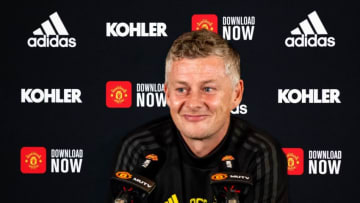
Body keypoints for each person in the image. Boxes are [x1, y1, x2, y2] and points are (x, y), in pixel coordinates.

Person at [110, 29, 288, 203]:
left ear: (236, 94)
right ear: (167, 94)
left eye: (208, 89)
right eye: (181, 89)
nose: (194, 103)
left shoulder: (259, 152)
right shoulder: (140, 148)